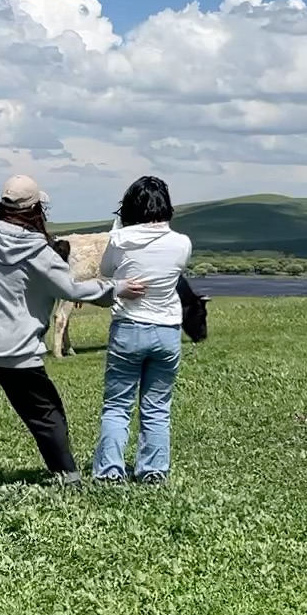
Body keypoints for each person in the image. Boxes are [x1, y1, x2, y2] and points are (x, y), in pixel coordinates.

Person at [0, 175, 145, 501]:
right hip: (18, 353)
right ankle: (70, 481)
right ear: (36, 208)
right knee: (46, 416)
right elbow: (71, 289)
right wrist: (116, 288)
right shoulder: (38, 250)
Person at [90, 175, 193, 485]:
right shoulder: (182, 242)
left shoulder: (120, 240)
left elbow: (106, 271)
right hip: (167, 330)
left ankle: (110, 472)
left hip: (129, 328)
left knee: (118, 404)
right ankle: (152, 471)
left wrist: (118, 231)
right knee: (157, 406)